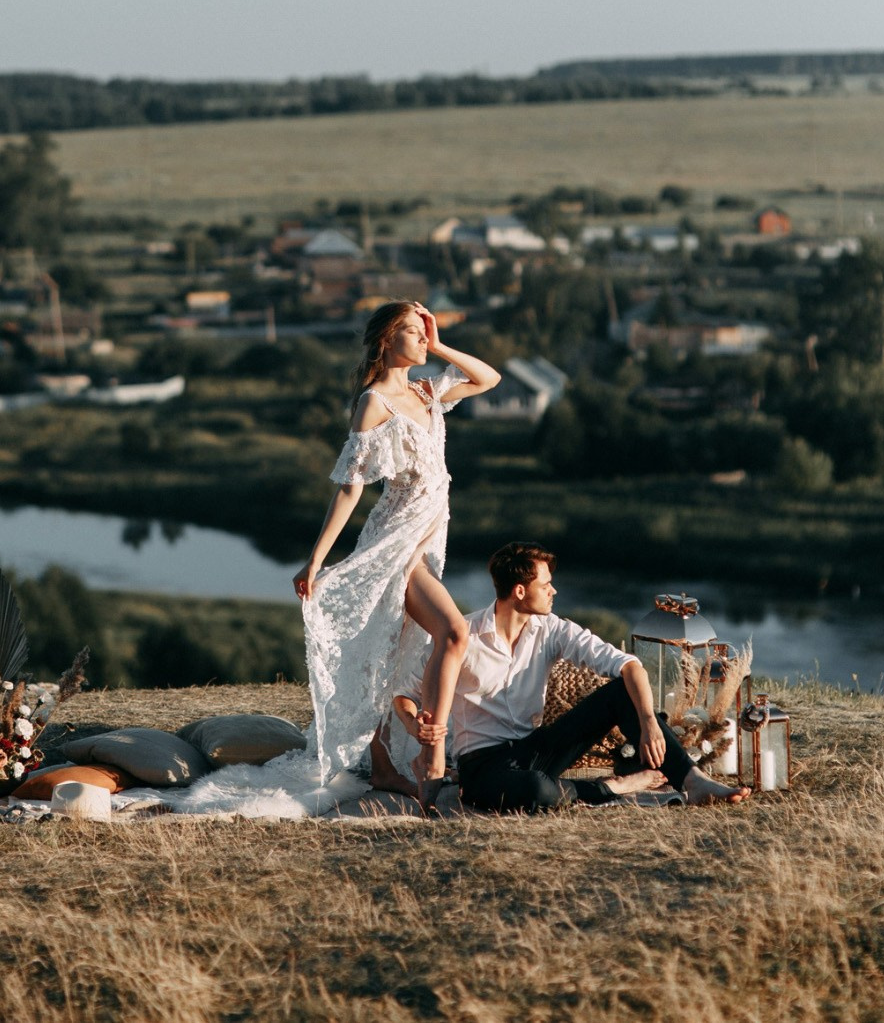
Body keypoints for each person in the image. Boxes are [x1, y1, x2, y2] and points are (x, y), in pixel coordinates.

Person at [293, 301, 500, 799]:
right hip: (396, 542)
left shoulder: (427, 391)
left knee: (395, 650)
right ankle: (431, 752)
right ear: (387, 341)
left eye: (424, 330)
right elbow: (350, 489)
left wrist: (440, 341)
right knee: (452, 632)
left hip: (429, 538)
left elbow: (488, 378)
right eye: (413, 330)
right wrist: (317, 559)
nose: (422, 338)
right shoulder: (374, 404)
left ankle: (385, 768)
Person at [431, 541, 753, 814]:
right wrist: (415, 720)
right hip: (483, 767)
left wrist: (648, 722)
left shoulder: (551, 629)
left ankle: (693, 781)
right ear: (519, 591)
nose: (554, 590)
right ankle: (611, 787)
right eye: (545, 585)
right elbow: (410, 693)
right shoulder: (463, 636)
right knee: (536, 789)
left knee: (621, 693)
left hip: (537, 749)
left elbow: (629, 666)